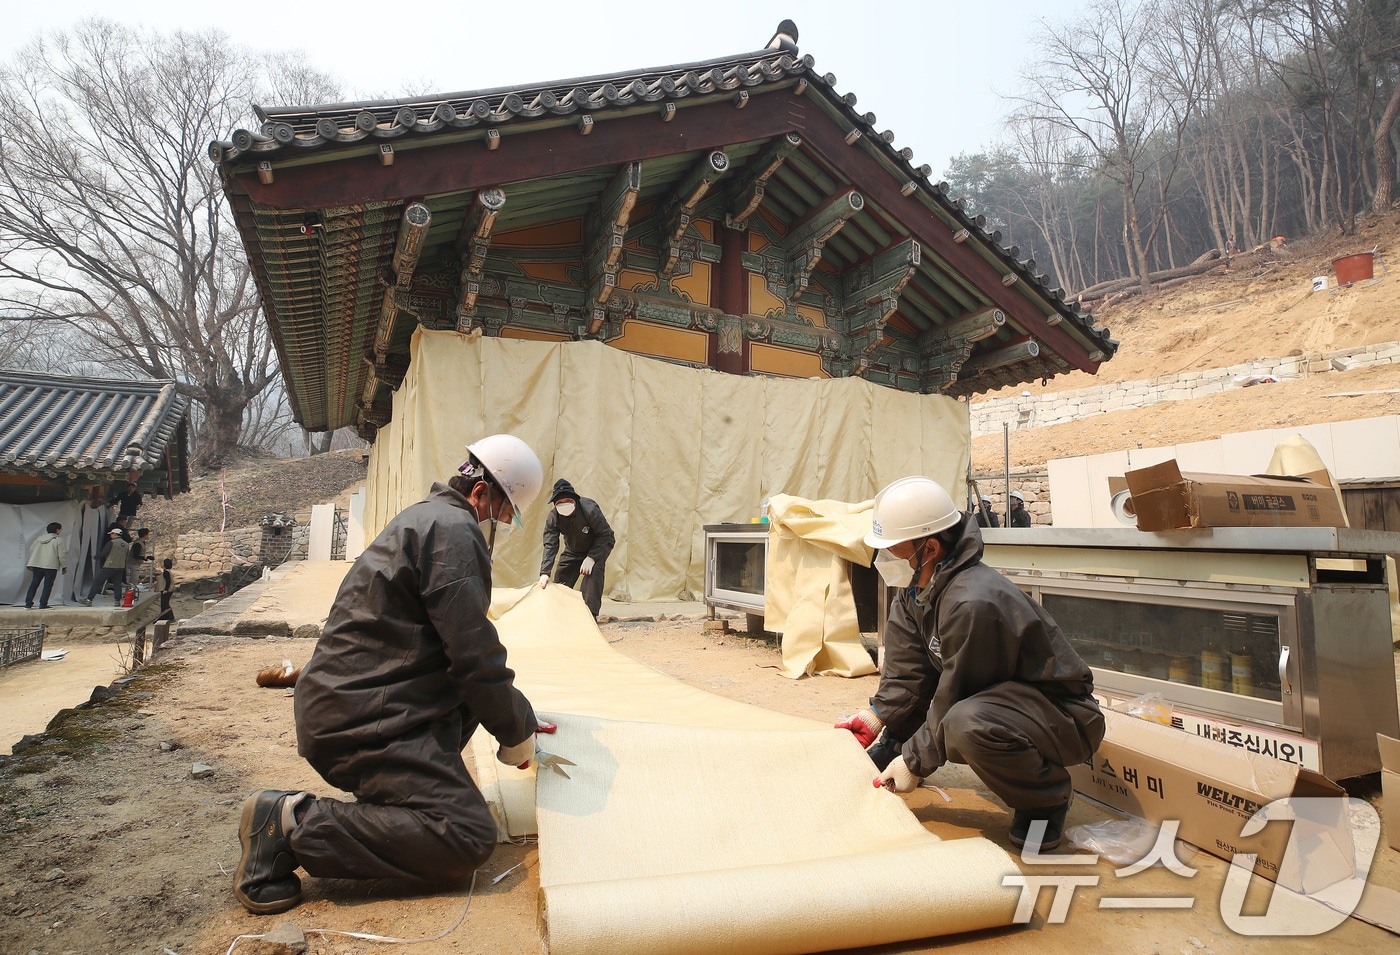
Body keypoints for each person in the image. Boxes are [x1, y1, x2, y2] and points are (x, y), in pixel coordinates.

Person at [235, 433, 549, 915]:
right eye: (506, 516)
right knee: (466, 836)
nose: (502, 527)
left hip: (357, 699)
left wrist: (519, 714)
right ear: (482, 494)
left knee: (473, 700)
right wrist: (517, 731)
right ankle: (291, 823)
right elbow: (473, 655)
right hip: (360, 716)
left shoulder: (428, 519)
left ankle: (421, 796)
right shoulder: (454, 530)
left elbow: (463, 654)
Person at [836, 477, 1103, 852]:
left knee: (966, 725)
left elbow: (957, 692)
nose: (889, 561)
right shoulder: (917, 591)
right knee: (959, 721)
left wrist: (914, 762)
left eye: (895, 551)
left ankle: (1046, 798)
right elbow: (908, 673)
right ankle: (900, 744)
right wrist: (878, 717)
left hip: (1061, 718)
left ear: (928, 547)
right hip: (999, 706)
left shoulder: (972, 601)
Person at [538, 479, 615, 618]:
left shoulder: (590, 510)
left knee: (592, 574)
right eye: (559, 502)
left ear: (575, 500)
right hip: (573, 548)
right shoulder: (554, 517)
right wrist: (545, 572)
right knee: (562, 576)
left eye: (567, 500)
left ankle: (589, 616)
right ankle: (559, 614)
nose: (564, 504)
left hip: (599, 543)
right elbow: (550, 544)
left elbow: (605, 534)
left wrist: (592, 557)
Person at [24, 522, 68, 610]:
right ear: (57, 530)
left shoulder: (39, 539)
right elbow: (62, 555)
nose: (60, 531)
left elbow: (32, 549)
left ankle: (28, 604)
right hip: (51, 566)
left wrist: (38, 558)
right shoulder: (59, 540)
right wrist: (64, 566)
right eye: (60, 529)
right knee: (47, 586)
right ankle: (43, 604)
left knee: (34, 584)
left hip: (37, 565)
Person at [83, 528, 130, 605]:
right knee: (117, 584)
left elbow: (104, 553)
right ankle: (117, 601)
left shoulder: (111, 543)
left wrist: (95, 557)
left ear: (115, 534)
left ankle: (89, 600)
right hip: (120, 567)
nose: (110, 535)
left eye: (111, 534)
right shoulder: (126, 544)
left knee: (97, 582)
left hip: (109, 566)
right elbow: (126, 556)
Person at [158, 558, 175, 622]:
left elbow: (168, 581)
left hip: (167, 591)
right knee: (164, 604)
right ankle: (164, 617)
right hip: (167, 590)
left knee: (165, 604)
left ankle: (170, 617)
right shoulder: (167, 571)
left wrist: (165, 589)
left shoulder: (166, 572)